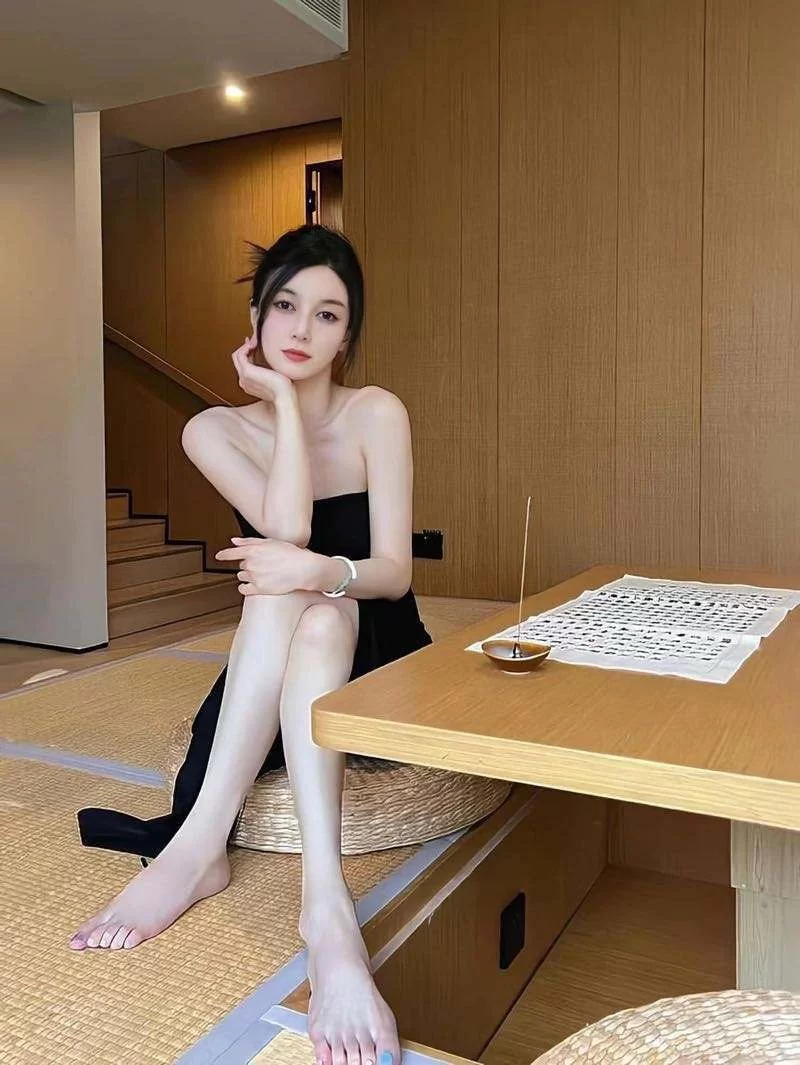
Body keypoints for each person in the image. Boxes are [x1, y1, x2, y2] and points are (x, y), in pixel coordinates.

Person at [71, 224, 432, 1065]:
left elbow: (390, 572)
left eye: (328, 314)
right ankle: (311, 901)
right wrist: (284, 409)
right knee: (293, 599)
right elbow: (287, 525)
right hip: (283, 647)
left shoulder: (378, 413)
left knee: (307, 597)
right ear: (256, 319)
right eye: (286, 306)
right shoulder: (213, 430)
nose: (303, 329)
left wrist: (320, 570)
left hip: (375, 639)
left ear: (349, 333)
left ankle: (233, 861)